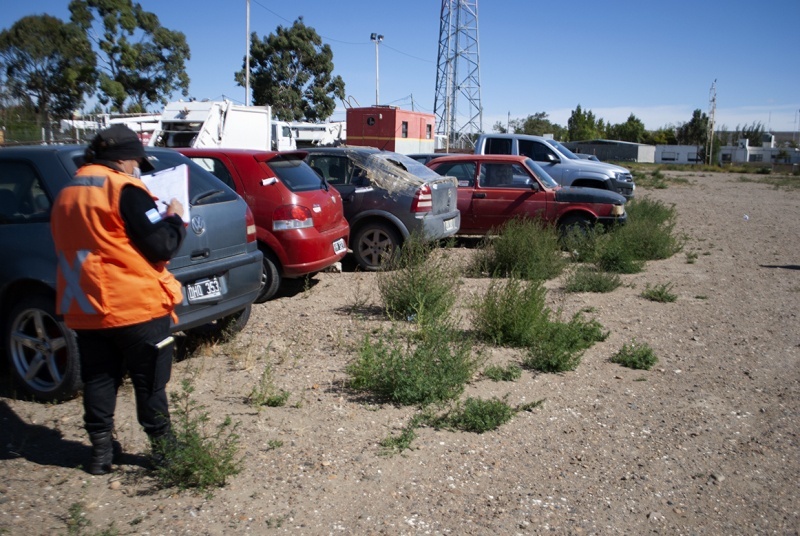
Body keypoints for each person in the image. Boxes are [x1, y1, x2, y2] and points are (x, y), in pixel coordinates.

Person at [50, 125, 186, 475]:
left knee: (99, 378)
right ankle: (165, 453)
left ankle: (99, 454)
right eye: (136, 161)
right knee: (150, 381)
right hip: (133, 305)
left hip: (84, 305)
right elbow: (163, 244)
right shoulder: (124, 189)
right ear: (124, 159)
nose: (136, 168)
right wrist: (175, 217)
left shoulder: (67, 192)